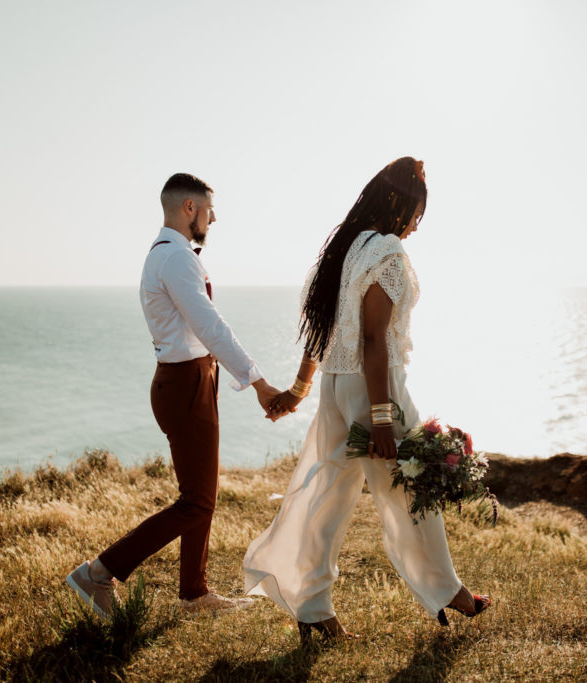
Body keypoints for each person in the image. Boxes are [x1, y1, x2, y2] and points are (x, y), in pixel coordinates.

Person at [243, 157, 489, 643]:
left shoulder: (344, 248)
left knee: (329, 496)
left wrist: (300, 388)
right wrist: (381, 418)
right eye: (418, 212)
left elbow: (324, 329)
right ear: (401, 205)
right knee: (411, 490)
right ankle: (449, 593)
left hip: (339, 384)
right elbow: (373, 339)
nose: (417, 225)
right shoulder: (387, 252)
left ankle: (312, 605)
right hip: (377, 387)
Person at [67, 173, 283, 618]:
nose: (214, 217)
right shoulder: (175, 259)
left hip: (194, 380)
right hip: (184, 385)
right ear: (189, 208)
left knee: (202, 494)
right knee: (196, 501)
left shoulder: (173, 255)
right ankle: (97, 572)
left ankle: (194, 593)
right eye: (209, 209)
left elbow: (204, 332)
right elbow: (210, 326)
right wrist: (259, 383)